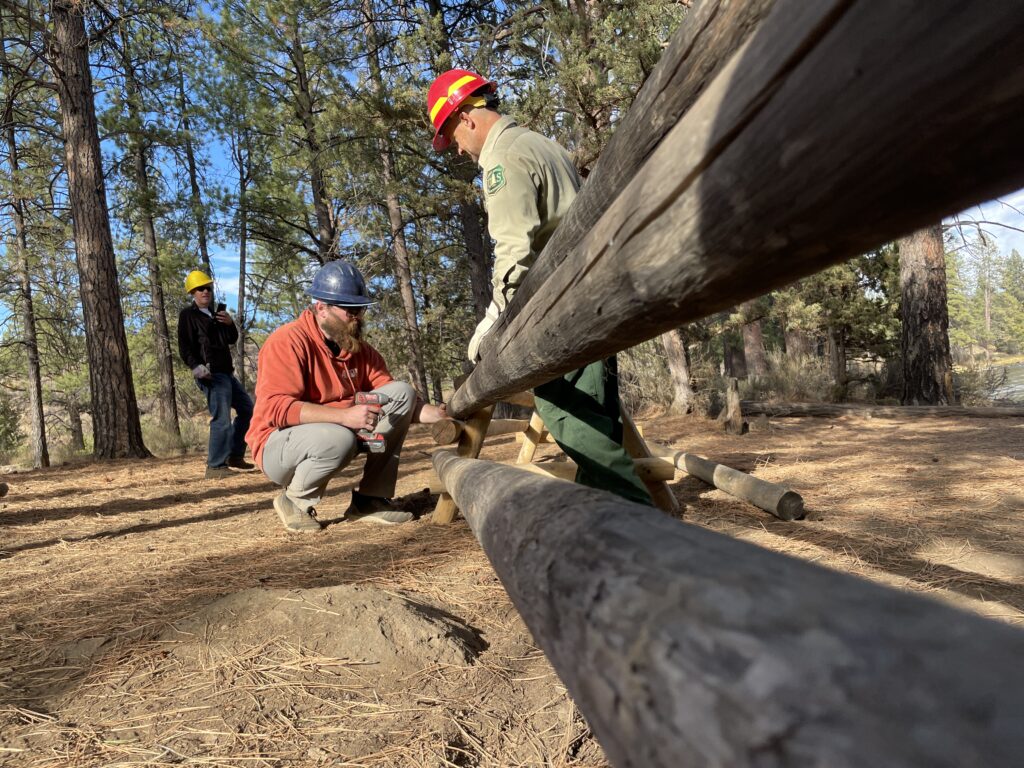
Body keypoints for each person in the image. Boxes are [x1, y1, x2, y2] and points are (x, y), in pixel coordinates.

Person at [427, 69, 652, 506]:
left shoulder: (502, 159)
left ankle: (638, 521)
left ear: (467, 118)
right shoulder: (542, 144)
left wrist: (495, 322)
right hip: (594, 292)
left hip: (562, 308)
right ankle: (607, 520)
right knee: (596, 416)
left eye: (452, 135)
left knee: (565, 412)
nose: (456, 148)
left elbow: (513, 255)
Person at [246, 260, 446, 533]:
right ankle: (294, 501)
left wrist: (434, 413)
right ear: (321, 308)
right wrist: (345, 417)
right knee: (338, 436)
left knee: (402, 392)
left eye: (361, 309)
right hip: (277, 447)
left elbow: (395, 398)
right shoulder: (287, 341)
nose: (358, 317)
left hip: (337, 435)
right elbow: (276, 408)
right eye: (350, 310)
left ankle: (369, 500)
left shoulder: (360, 350)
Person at [178, 270, 255, 479]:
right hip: (210, 374)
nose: (206, 292)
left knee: (248, 410)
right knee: (221, 417)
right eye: (201, 289)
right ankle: (215, 467)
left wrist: (230, 324)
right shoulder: (188, 315)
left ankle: (234, 455)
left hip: (226, 373)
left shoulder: (216, 315)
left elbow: (231, 340)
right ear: (192, 292)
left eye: (208, 288)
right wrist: (196, 366)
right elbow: (184, 346)